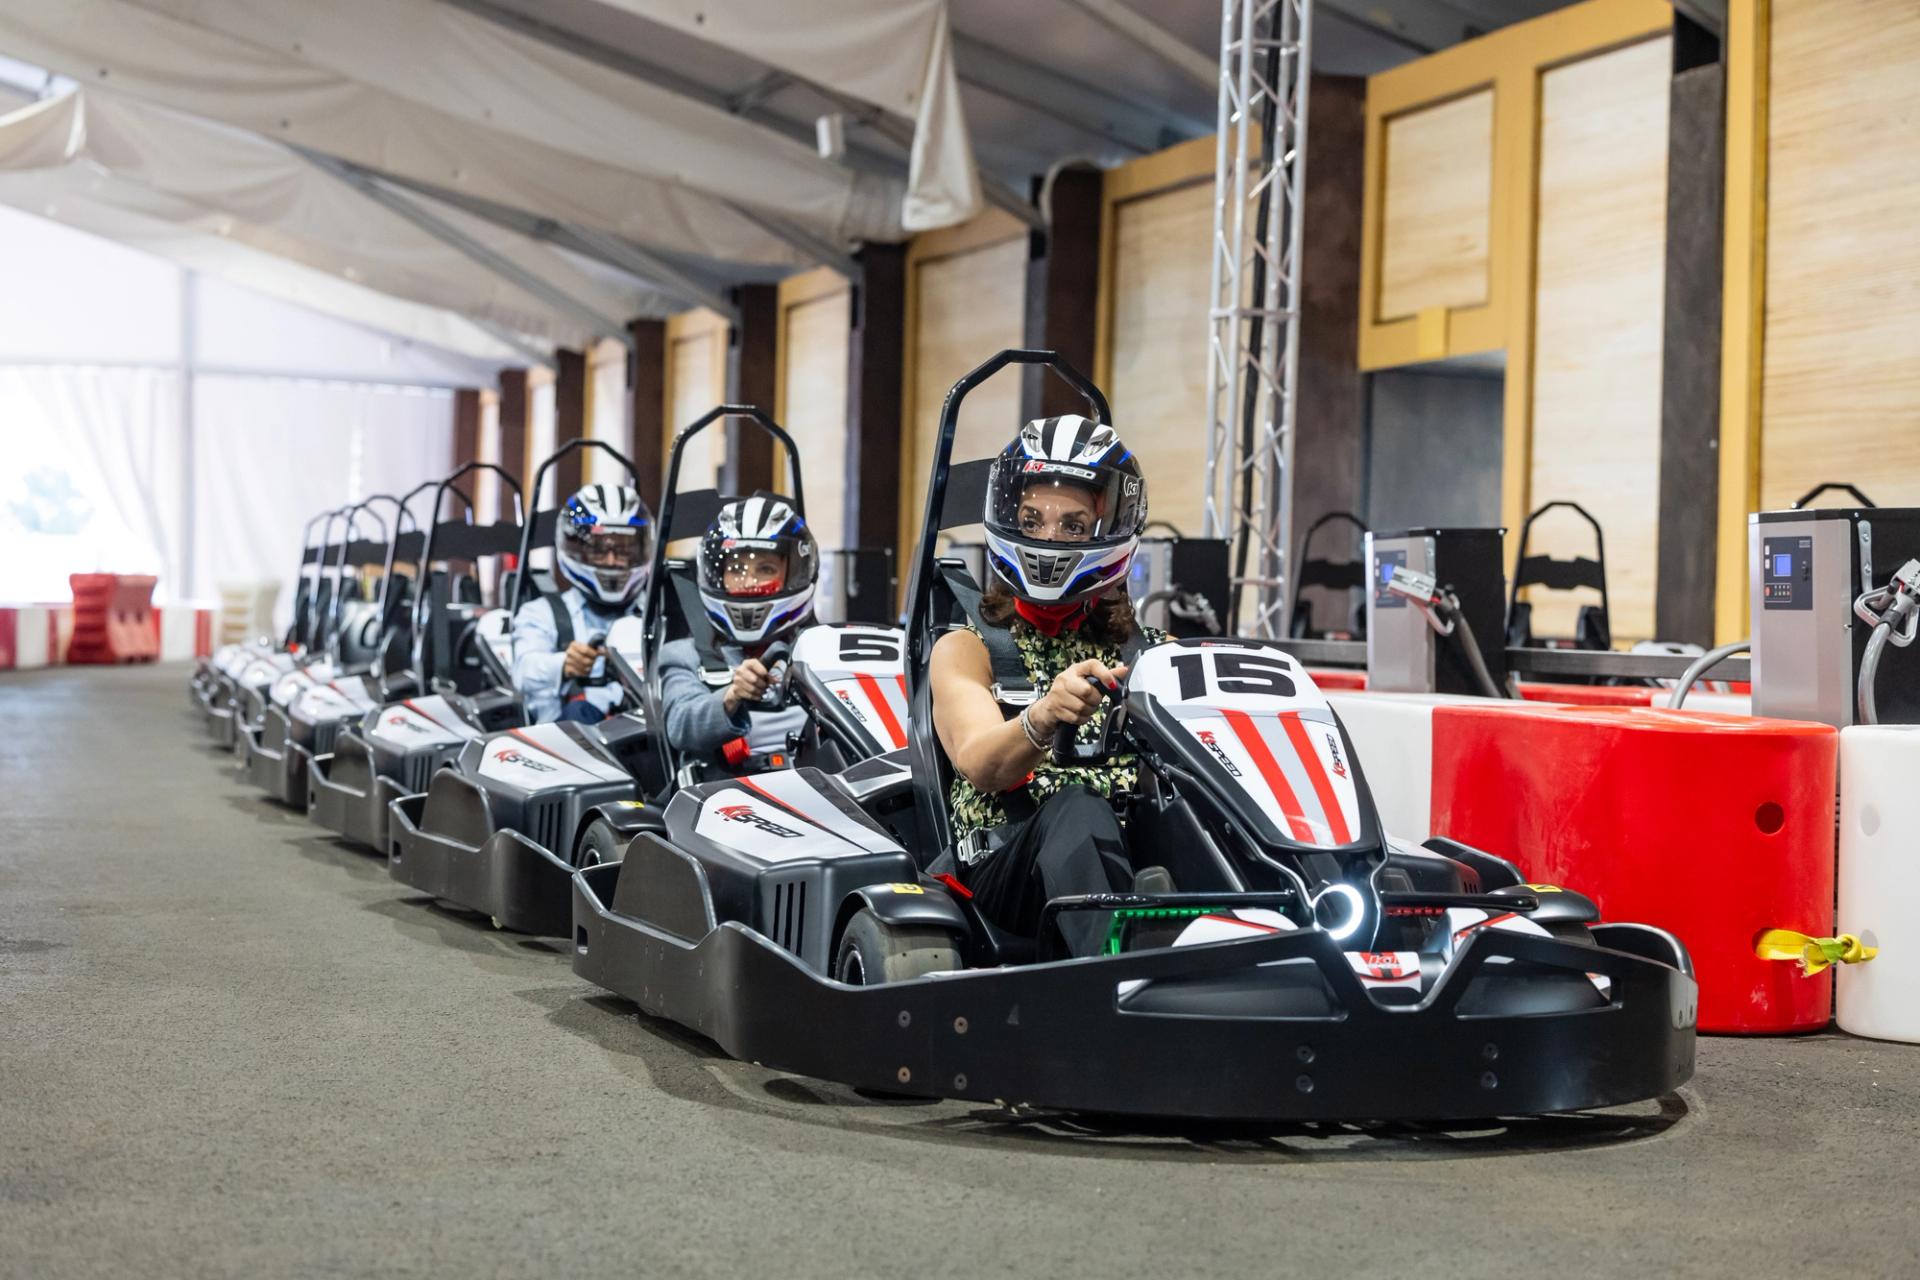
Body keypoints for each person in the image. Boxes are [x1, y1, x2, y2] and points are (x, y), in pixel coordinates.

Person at [928, 414, 1161, 951]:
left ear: (1109, 529)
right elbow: (980, 763)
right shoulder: (967, 647)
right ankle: (1121, 978)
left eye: (1072, 525)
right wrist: (1043, 714)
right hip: (1003, 873)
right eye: (1033, 519)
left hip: (1131, 860)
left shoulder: (1150, 652)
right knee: (1078, 805)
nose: (1049, 536)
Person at [657, 494, 817, 771]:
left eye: (765, 569)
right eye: (737, 569)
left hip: (815, 791)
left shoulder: (819, 651)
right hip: (723, 799)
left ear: (794, 573)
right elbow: (680, 726)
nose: (748, 582)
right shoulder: (684, 655)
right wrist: (732, 696)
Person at [511, 484, 654, 724]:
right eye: (600, 549)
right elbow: (523, 672)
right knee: (579, 714)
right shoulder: (541, 613)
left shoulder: (656, 615)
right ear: (577, 548)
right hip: (568, 746)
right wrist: (564, 664)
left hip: (648, 740)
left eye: (623, 549)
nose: (612, 561)